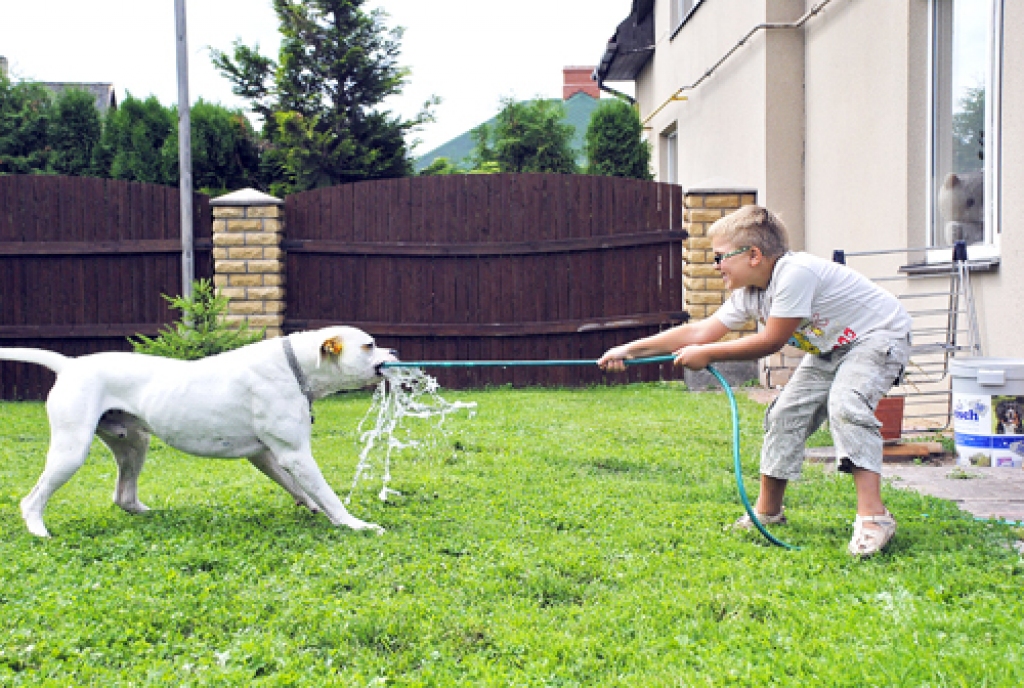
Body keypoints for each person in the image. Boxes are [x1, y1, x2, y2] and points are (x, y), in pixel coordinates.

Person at [598, 205, 911, 557]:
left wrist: (710, 354)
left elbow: (770, 342)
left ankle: (874, 517)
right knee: (783, 415)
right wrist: (629, 349)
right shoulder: (752, 293)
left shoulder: (795, 273)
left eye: (719, 258)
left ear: (753, 255)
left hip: (878, 336)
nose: (715, 267)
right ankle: (767, 513)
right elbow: (700, 330)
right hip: (832, 346)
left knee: (846, 403)